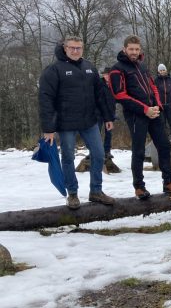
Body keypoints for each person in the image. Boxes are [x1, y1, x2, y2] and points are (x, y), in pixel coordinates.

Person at [39, 36, 115, 209]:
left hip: (89, 121)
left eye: (78, 48)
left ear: (82, 49)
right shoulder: (54, 69)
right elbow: (45, 100)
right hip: (66, 124)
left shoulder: (89, 67)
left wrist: (108, 117)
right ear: (65, 48)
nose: (75, 51)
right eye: (72, 48)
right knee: (68, 157)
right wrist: (48, 128)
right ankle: (72, 194)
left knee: (99, 154)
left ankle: (96, 191)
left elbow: (100, 95)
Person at [109, 35, 171, 199]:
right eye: (131, 49)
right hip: (136, 115)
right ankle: (139, 187)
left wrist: (157, 105)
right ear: (124, 49)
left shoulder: (142, 66)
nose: (134, 52)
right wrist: (144, 109)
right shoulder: (117, 69)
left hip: (154, 112)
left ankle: (169, 183)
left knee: (165, 146)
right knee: (138, 151)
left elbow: (153, 86)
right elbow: (119, 95)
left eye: (137, 49)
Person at [155, 63, 171, 146]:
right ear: (158, 72)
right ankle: (164, 139)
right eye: (160, 70)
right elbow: (154, 92)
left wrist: (169, 98)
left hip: (169, 104)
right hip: (160, 105)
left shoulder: (170, 79)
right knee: (162, 122)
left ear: (166, 70)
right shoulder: (156, 80)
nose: (162, 71)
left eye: (163, 70)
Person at [101, 66, 116, 160]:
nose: (107, 76)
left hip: (110, 112)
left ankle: (107, 151)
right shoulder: (98, 83)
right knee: (96, 133)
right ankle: (93, 152)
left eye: (108, 75)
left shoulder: (114, 85)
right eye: (105, 74)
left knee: (109, 133)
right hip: (98, 112)